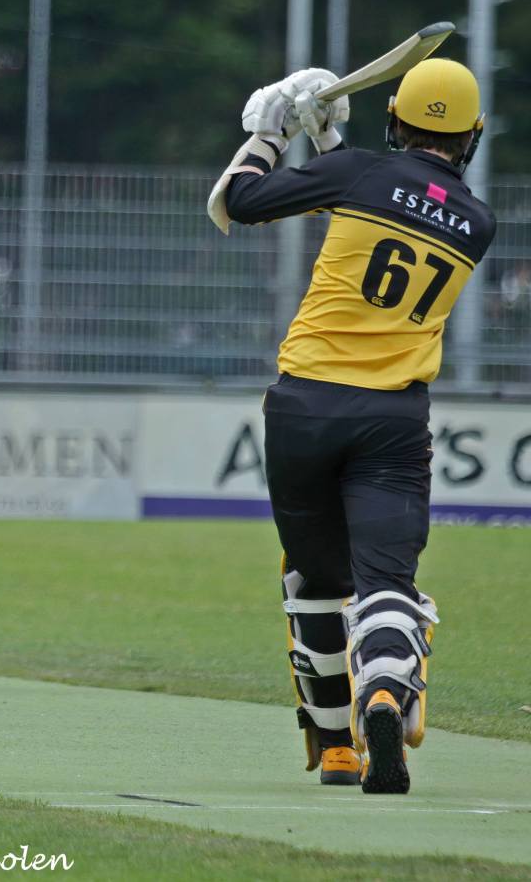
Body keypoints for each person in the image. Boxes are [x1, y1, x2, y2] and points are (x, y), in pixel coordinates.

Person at [208, 59, 495, 793]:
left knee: (314, 576)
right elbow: (402, 198)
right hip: (393, 417)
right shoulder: (477, 223)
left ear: (395, 118)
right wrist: (331, 144)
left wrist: (269, 136)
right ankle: (385, 694)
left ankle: (336, 747)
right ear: (473, 137)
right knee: (385, 583)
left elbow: (236, 203)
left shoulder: (360, 174)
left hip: (304, 406)